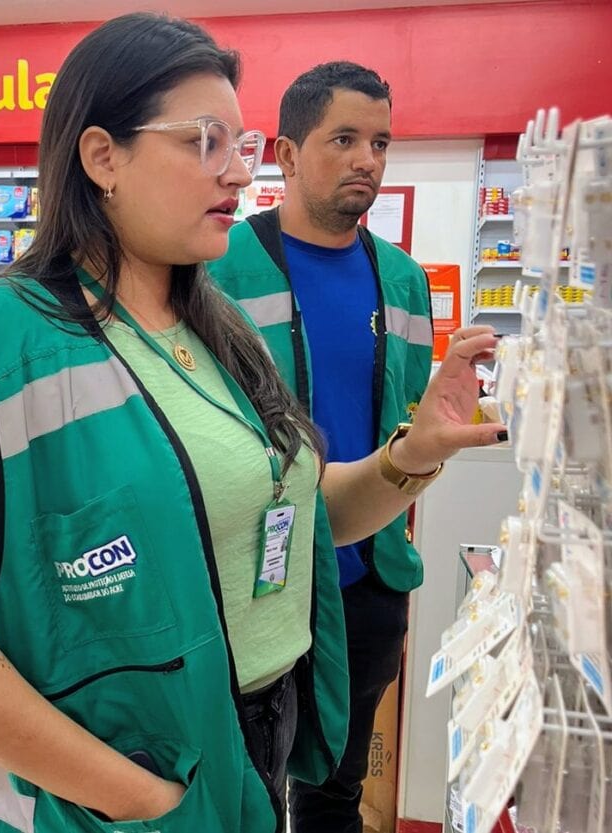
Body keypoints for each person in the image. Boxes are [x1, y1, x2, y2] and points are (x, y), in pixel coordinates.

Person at [0, 16, 503, 833]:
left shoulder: (219, 329)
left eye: (241, 147)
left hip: (250, 739)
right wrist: (132, 796)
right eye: (206, 142)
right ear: (103, 156)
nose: (238, 176)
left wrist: (410, 456)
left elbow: (302, 518)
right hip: (118, 781)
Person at [208, 62, 445, 833]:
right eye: (344, 138)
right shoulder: (217, 269)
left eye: (380, 142)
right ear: (284, 151)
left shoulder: (404, 281)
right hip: (254, 580)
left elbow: (402, 417)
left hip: (369, 579)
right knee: (248, 784)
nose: (367, 159)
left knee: (335, 793)